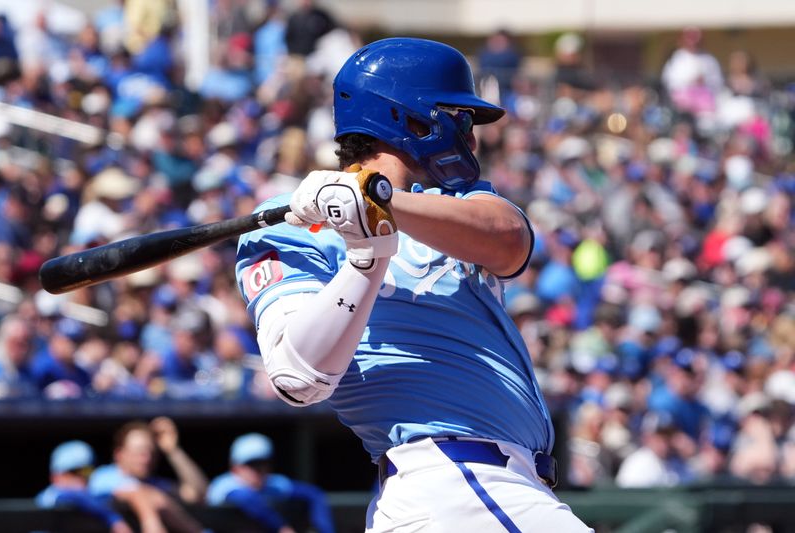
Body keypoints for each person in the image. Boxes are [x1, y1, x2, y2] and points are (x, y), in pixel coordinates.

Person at [236, 37, 591, 531]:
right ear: (409, 119)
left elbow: (509, 242)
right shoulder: (290, 226)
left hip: (489, 488)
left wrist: (377, 201)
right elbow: (298, 378)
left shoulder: (457, 204)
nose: (470, 139)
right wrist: (365, 257)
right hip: (451, 481)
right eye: (459, 118)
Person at [89, 417, 207, 533]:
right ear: (119, 454)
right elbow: (134, 493)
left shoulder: (155, 484)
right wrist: (151, 518)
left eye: (150, 452)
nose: (146, 459)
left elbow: (197, 493)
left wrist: (173, 450)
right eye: (139, 452)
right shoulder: (104, 476)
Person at [207, 432, 334, 533]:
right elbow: (246, 498)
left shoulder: (273, 484)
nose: (259, 470)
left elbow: (313, 494)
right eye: (252, 465)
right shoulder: (223, 484)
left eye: (263, 463)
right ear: (235, 468)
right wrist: (282, 528)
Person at [36, 440, 132, 533]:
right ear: (56, 476)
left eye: (86, 471)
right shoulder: (50, 495)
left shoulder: (92, 495)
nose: (81, 478)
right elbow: (73, 496)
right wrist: (113, 519)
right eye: (74, 472)